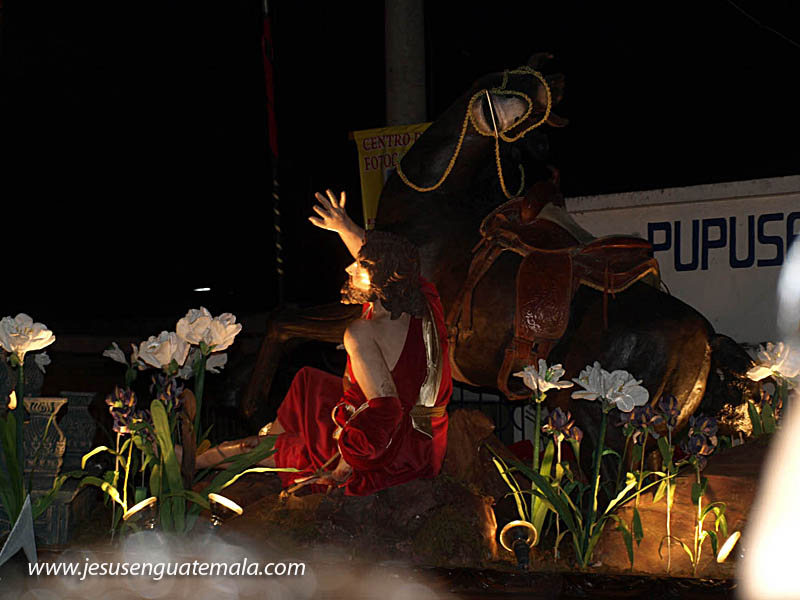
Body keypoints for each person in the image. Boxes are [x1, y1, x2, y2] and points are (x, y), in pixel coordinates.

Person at [191, 189, 452, 496]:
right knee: (307, 382)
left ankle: (211, 459)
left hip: (392, 452)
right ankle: (268, 441)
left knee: (276, 447)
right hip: (425, 440)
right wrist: (345, 227)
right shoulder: (422, 300)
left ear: (382, 280)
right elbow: (390, 263)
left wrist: (342, 468)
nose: (350, 269)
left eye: (360, 267)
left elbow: (385, 413)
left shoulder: (361, 332)